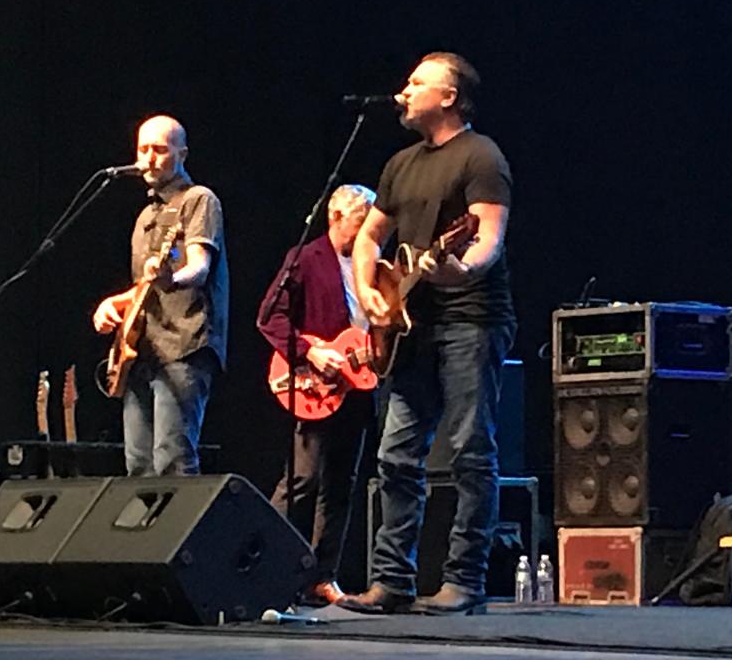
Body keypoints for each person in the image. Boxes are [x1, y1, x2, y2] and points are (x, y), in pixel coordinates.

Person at [340, 52, 515, 615]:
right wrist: (368, 292)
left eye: (416, 82)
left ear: (448, 96)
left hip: (471, 320)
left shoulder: (482, 156)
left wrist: (461, 268)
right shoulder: (399, 164)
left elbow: (487, 237)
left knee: (469, 451)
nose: (404, 90)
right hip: (412, 327)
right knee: (396, 455)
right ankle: (391, 580)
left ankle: (465, 581)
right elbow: (369, 238)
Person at [257, 184, 377, 606]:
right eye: (360, 226)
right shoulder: (306, 259)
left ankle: (320, 576)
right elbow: (269, 318)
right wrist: (311, 353)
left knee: (340, 486)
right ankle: (261, 564)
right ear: (335, 217)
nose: (366, 236)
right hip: (315, 384)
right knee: (301, 480)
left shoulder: (374, 263)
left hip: (358, 388)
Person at [93, 114, 229, 476]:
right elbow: (144, 289)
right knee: (137, 464)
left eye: (159, 149)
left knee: (173, 458)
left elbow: (199, 267)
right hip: (141, 349)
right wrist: (113, 304)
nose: (148, 158)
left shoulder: (199, 200)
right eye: (142, 149)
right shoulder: (144, 217)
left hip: (185, 344)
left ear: (181, 154)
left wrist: (173, 278)